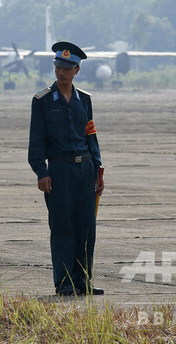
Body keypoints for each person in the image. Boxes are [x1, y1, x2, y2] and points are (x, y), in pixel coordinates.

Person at [28, 41, 104, 296]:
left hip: (85, 170)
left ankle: (83, 282)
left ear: (77, 71)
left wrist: (98, 166)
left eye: (67, 67)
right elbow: (36, 140)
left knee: (86, 229)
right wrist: (41, 172)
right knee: (62, 228)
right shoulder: (42, 100)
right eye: (58, 66)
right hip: (59, 171)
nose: (61, 72)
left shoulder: (85, 100)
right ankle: (64, 283)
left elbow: (90, 134)